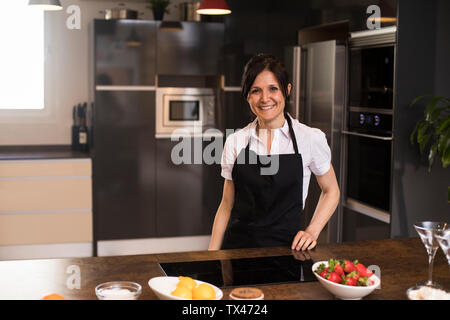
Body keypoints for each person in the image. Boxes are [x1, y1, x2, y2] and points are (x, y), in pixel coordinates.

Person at [208, 53, 340, 251]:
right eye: (255, 91)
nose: (265, 98)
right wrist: (210, 257)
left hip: (290, 252)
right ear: (247, 96)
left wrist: (312, 230)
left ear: (287, 90)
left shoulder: (310, 138)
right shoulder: (236, 141)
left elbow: (331, 190)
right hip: (238, 252)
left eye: (273, 89)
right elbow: (226, 205)